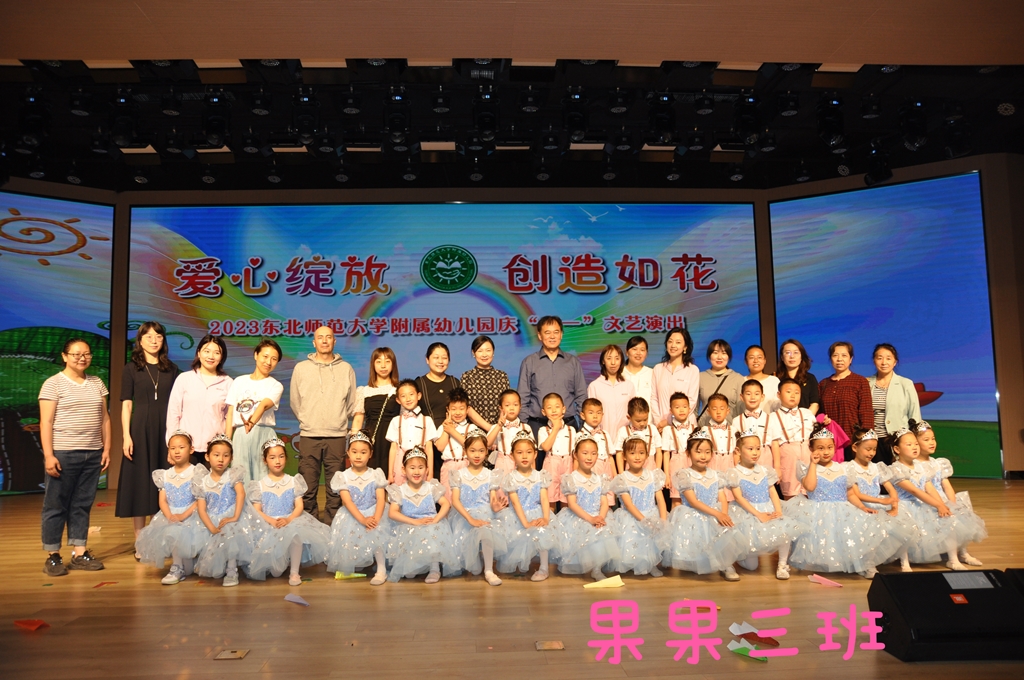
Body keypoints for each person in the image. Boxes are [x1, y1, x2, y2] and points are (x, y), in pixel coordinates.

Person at [784, 425, 904, 578]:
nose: (826, 452)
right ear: (811, 448)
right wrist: (813, 464)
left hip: (843, 509)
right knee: (827, 540)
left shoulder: (844, 468)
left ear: (835, 447)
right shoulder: (806, 468)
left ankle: (865, 564)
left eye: (829, 447)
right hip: (817, 511)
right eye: (820, 448)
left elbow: (850, 493)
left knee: (856, 536)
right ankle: (828, 564)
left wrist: (862, 507)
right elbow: (810, 487)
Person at [39, 338, 111, 576]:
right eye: (76, 354)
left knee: (82, 504)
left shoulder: (97, 383)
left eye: (87, 354)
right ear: (64, 356)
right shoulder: (53, 384)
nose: (82, 358)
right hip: (64, 453)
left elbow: (105, 418)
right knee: (56, 505)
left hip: (92, 453)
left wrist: (106, 449)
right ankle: (53, 556)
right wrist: (49, 455)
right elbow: (46, 422)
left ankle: (79, 553)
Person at [117, 321, 181, 552]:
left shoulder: (172, 369)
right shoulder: (131, 368)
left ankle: (161, 538)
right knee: (140, 483)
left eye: (158, 336)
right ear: (140, 341)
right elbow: (126, 404)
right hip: (140, 429)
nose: (154, 340)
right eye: (149, 336)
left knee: (164, 484)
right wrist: (126, 436)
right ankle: (140, 542)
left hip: (166, 430)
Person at [289, 326, 357, 522]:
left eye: (329, 337)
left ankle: (331, 526)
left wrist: (338, 421)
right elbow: (295, 401)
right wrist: (307, 420)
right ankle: (309, 527)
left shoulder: (346, 369)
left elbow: (351, 403)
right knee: (307, 487)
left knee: (335, 489)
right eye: (320, 337)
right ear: (314, 342)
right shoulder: (301, 368)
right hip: (309, 435)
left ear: (334, 341)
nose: (325, 340)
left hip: (337, 436)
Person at [667, 428, 749, 581]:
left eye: (707, 452)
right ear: (688, 453)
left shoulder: (716, 475)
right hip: (694, 515)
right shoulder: (684, 475)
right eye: (698, 452)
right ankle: (699, 562)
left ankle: (726, 565)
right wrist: (717, 514)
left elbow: (722, 498)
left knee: (724, 533)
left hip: (715, 513)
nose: (703, 456)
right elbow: (693, 501)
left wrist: (723, 514)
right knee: (701, 540)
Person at [726, 428, 807, 580]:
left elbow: (773, 492)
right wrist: (758, 515)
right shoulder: (734, 473)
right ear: (738, 450)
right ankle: (741, 557)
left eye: (758, 448)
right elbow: (738, 498)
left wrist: (778, 511)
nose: (755, 453)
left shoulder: (765, 470)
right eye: (750, 449)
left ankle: (782, 565)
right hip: (748, 512)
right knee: (752, 566)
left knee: (784, 530)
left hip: (768, 509)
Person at [247, 439, 330, 585]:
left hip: (290, 520)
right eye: (272, 457)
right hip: (270, 524)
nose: (277, 461)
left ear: (286, 458)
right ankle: (283, 561)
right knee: (276, 572)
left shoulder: (293, 481)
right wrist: (271, 521)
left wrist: (289, 519)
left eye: (281, 456)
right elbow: (257, 510)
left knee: (295, 535)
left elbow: (299, 506)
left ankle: (294, 573)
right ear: (265, 460)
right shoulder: (259, 485)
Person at [135, 431, 208, 585]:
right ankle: (177, 567)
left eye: (181, 447)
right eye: (172, 448)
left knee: (185, 539)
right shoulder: (165, 475)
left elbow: (199, 499)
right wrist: (169, 516)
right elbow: (162, 500)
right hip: (170, 514)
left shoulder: (196, 472)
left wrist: (183, 515)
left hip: (191, 513)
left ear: (191, 449)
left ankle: (186, 564)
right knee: (173, 531)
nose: (177, 451)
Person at [888, 427, 964, 570]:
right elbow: (915, 491)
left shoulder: (920, 466)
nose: (914, 447)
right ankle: (905, 563)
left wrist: (942, 505)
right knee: (905, 528)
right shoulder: (895, 469)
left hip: (923, 503)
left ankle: (953, 560)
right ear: (897, 449)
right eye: (909, 444)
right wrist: (938, 505)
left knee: (948, 520)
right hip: (905, 505)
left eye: (916, 444)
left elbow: (929, 488)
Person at [912, 419, 986, 565]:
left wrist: (952, 504)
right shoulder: (915, 465)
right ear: (916, 443)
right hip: (928, 501)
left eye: (933, 439)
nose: (932, 442)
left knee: (961, 514)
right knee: (948, 520)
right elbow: (925, 489)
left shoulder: (938, 463)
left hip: (943, 498)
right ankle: (953, 560)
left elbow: (946, 485)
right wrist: (942, 505)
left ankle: (963, 552)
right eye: (926, 440)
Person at [517, 316, 587, 467]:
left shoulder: (572, 362)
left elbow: (581, 395)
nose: (552, 336)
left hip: (568, 425)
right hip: (537, 426)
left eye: (556, 332)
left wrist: (582, 427)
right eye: (547, 332)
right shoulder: (529, 362)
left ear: (561, 334)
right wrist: (524, 428)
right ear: (539, 335)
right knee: (538, 472)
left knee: (570, 472)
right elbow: (523, 397)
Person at [844, 428, 916, 574]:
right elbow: (857, 494)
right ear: (855, 447)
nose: (871, 453)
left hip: (878, 505)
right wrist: (881, 501)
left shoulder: (877, 467)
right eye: (868, 449)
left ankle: (904, 561)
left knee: (902, 525)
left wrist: (894, 503)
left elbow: (891, 488)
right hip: (860, 506)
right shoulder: (849, 467)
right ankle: (867, 564)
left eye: (874, 449)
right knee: (868, 531)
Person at [550, 435, 620, 581]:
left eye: (594, 453)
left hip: (598, 515)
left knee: (602, 534)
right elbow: (572, 504)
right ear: (575, 455)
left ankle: (596, 569)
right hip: (579, 516)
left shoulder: (600, 479)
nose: (589, 457)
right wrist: (590, 519)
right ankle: (584, 566)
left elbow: (604, 502)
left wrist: (600, 517)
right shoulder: (571, 479)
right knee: (585, 534)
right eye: (585, 453)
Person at [386, 447, 461, 584]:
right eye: (412, 468)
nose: (416, 472)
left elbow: (446, 504)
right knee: (409, 574)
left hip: (429, 524)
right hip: (410, 524)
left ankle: (434, 568)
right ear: (404, 470)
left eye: (421, 468)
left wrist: (436, 519)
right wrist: (414, 522)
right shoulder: (400, 490)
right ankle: (416, 564)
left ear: (427, 470)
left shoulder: (431, 487)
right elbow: (392, 512)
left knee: (432, 532)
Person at [193, 435, 259, 587]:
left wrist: (235, 516)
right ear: (207, 457)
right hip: (210, 518)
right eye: (216, 455)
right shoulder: (202, 481)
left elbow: (240, 494)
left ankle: (232, 570)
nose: (221, 459)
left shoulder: (232, 475)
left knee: (231, 535)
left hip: (231, 515)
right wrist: (211, 527)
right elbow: (201, 508)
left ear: (231, 458)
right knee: (211, 541)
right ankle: (219, 565)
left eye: (226, 455)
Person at [326, 431, 389, 585]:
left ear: (370, 454)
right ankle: (358, 561)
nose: (358, 456)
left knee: (377, 533)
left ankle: (381, 570)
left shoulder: (376, 474)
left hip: (374, 511)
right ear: (348, 453)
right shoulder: (342, 476)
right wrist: (362, 519)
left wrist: (375, 519)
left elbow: (381, 499)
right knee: (351, 537)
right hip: (353, 515)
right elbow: (347, 501)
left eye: (363, 452)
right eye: (354, 452)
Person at [448, 427, 509, 586]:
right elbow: (455, 501)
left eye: (481, 451)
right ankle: (476, 561)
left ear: (486, 452)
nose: (477, 455)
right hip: (464, 515)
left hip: (484, 512)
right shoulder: (458, 474)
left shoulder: (490, 475)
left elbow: (492, 500)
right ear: (465, 451)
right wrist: (470, 519)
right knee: (473, 569)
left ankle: (489, 570)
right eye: (472, 450)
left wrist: (496, 507)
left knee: (486, 530)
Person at [417, 342, 486, 479]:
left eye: (444, 357)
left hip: (454, 438)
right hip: (430, 441)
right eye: (436, 357)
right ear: (427, 359)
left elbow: (466, 409)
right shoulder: (420, 383)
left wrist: (489, 428)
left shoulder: (454, 382)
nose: (440, 361)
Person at [496, 431, 557, 581]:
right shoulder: (511, 478)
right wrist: (526, 523)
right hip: (518, 516)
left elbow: (544, 499)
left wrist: (546, 518)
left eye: (529, 452)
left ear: (535, 454)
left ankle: (544, 568)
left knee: (543, 532)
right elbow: (515, 503)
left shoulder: (540, 476)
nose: (524, 456)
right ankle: (522, 562)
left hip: (537, 512)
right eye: (519, 453)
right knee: (518, 536)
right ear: (512, 456)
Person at [608, 434, 669, 577]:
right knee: (634, 540)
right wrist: (644, 520)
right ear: (624, 456)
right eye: (632, 453)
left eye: (641, 453)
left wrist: (663, 520)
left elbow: (660, 500)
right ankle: (635, 563)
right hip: (632, 516)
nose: (637, 457)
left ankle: (651, 564)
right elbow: (629, 505)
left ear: (647, 455)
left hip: (651, 512)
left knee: (651, 541)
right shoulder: (622, 479)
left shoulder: (653, 476)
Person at [166, 334, 232, 465]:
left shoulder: (228, 383)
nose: (211, 356)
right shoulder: (184, 379)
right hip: (186, 449)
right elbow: (173, 413)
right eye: (207, 351)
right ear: (198, 353)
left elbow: (229, 418)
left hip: (214, 450)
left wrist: (226, 445)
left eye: (216, 353)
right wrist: (172, 446)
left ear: (222, 357)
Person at [226, 338, 284, 483]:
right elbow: (230, 413)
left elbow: (264, 405)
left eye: (274, 359)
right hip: (241, 434)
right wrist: (226, 442)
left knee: (264, 477)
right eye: (265, 356)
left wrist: (251, 422)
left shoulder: (275, 385)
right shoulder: (239, 381)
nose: (268, 362)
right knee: (240, 478)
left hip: (264, 434)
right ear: (256, 355)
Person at [351, 347, 401, 478]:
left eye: (387, 361)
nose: (383, 365)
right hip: (371, 440)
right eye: (378, 361)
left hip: (393, 441)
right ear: (373, 365)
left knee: (393, 478)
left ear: (393, 364)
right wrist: (354, 444)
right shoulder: (364, 391)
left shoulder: (400, 390)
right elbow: (358, 419)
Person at [867, 343, 921, 465]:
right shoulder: (866, 383)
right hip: (873, 441)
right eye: (879, 358)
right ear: (874, 361)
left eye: (888, 358)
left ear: (895, 362)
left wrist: (913, 443)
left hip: (898, 441)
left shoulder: (905, 384)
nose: (884, 362)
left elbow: (915, 416)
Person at [819, 341, 873, 459]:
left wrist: (866, 441)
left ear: (851, 359)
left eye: (844, 355)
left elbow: (867, 414)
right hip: (830, 443)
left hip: (853, 442)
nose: (839, 359)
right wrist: (822, 418)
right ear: (831, 359)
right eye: (835, 355)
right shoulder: (823, 384)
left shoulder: (860, 381)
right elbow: (819, 413)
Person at [766, 379, 816, 499]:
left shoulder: (807, 413)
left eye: (797, 392)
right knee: (791, 493)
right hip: (787, 457)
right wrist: (777, 467)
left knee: (810, 491)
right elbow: (774, 443)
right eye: (788, 392)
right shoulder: (772, 417)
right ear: (779, 394)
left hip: (808, 454)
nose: (793, 395)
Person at [386, 379, 439, 485]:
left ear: (419, 396)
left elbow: (429, 448)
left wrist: (430, 473)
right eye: (403, 396)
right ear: (398, 400)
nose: (408, 399)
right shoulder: (396, 421)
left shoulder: (427, 420)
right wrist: (390, 473)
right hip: (400, 463)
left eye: (411, 394)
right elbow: (393, 448)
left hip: (420, 463)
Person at [651, 327, 700, 429]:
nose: (673, 345)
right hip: (661, 427)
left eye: (678, 342)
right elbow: (654, 398)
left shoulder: (692, 370)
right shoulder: (658, 368)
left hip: (685, 426)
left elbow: (692, 401)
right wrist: (658, 422)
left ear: (685, 347)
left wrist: (669, 421)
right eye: (670, 341)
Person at [460, 335, 510, 427]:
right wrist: (490, 429)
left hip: (500, 428)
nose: (484, 354)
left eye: (488, 350)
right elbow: (467, 407)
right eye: (480, 351)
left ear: (493, 352)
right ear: (473, 353)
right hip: (475, 429)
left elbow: (506, 404)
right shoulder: (467, 376)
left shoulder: (502, 376)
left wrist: (498, 427)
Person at [538, 393, 577, 510]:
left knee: (567, 499)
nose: (554, 410)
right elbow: (546, 447)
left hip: (568, 463)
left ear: (563, 409)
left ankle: (565, 520)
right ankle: (551, 520)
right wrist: (555, 428)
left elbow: (575, 453)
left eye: (557, 406)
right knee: (550, 499)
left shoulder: (571, 430)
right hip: (551, 463)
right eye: (549, 407)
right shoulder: (543, 430)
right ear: (544, 412)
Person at [587, 344, 635, 434]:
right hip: (602, 435)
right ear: (603, 361)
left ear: (621, 361)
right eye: (609, 358)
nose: (613, 362)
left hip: (625, 436)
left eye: (617, 358)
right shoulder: (594, 386)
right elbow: (590, 414)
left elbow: (633, 413)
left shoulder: (629, 385)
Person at [698, 339, 746, 424]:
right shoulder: (700, 377)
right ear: (709, 355)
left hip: (730, 428)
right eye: (715, 353)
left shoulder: (738, 378)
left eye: (724, 353)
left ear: (728, 356)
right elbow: (694, 407)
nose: (719, 357)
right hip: (705, 428)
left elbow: (741, 408)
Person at [436, 387, 472, 501]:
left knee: (466, 498)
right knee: (449, 498)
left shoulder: (471, 427)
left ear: (467, 409)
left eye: (461, 409)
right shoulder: (442, 428)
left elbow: (470, 446)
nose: (457, 412)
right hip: (449, 466)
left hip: (467, 465)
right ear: (448, 409)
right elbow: (440, 447)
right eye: (454, 409)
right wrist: (447, 429)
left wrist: (452, 431)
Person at [661, 392, 695, 506]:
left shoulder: (695, 428)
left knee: (693, 498)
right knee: (676, 499)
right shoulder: (667, 430)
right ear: (671, 410)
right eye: (677, 407)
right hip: (675, 464)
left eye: (684, 407)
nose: (681, 410)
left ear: (689, 409)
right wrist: (667, 476)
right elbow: (666, 454)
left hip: (692, 464)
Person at [732, 380, 773, 471]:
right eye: (748, 394)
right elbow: (736, 447)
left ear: (762, 397)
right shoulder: (736, 421)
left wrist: (777, 466)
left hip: (765, 458)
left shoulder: (769, 419)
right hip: (744, 459)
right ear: (742, 397)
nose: (753, 397)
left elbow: (774, 444)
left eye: (756, 394)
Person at [614, 397, 662, 474]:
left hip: (650, 470)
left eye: (645, 419)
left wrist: (658, 470)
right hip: (630, 470)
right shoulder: (623, 431)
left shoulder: (652, 429)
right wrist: (621, 473)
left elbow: (658, 451)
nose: (642, 423)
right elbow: (619, 453)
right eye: (638, 421)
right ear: (629, 417)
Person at [487, 389, 529, 476]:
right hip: (503, 464)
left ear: (520, 406)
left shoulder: (526, 427)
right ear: (501, 408)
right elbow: (487, 444)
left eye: (515, 404)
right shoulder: (496, 427)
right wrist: (499, 426)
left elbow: (531, 450)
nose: (512, 408)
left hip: (521, 463)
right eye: (507, 405)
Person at [578, 398, 616, 496]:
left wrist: (615, 476)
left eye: (598, 413)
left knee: (609, 497)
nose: (595, 416)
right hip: (590, 468)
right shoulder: (580, 435)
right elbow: (575, 459)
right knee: (592, 496)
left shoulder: (605, 434)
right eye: (591, 413)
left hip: (606, 468)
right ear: (582, 415)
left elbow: (610, 457)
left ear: (602, 415)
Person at [774, 339, 819, 414]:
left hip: (805, 419)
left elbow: (815, 403)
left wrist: (804, 418)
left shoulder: (809, 378)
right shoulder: (774, 378)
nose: (792, 356)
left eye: (796, 352)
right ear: (782, 357)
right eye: (788, 353)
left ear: (801, 356)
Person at [744, 344, 779, 412]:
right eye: (751, 357)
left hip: (770, 418)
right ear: (746, 361)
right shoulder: (741, 381)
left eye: (759, 357)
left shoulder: (774, 381)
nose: (756, 361)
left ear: (764, 360)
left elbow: (779, 405)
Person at [622, 335, 654, 408]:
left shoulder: (652, 373)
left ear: (646, 353)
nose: (638, 353)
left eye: (642, 350)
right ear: (626, 352)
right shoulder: (619, 373)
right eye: (634, 349)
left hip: (647, 415)